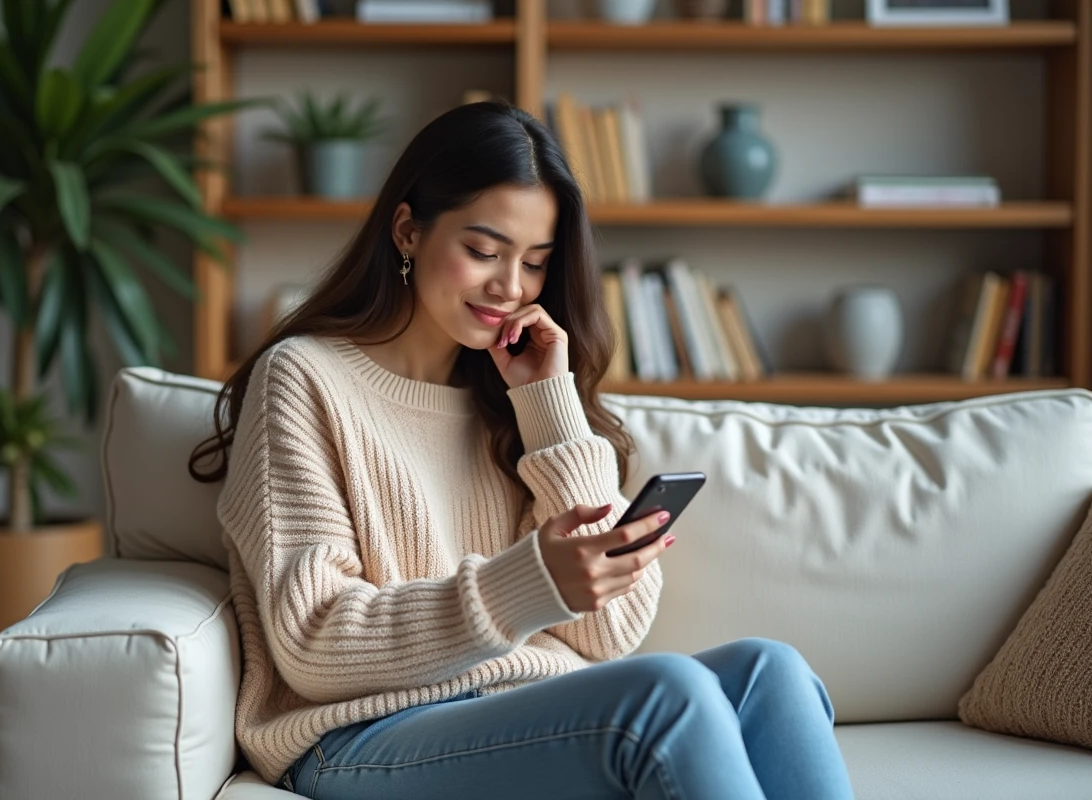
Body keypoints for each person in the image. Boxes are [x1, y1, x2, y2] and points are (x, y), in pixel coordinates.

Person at [188, 99, 854, 800]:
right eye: (483, 251)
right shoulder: (303, 377)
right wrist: (527, 586)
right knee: (670, 693)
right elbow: (313, 642)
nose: (510, 288)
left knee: (770, 675)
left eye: (535, 263)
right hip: (361, 735)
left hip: (515, 709)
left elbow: (614, 632)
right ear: (409, 231)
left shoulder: (512, 398)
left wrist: (548, 402)